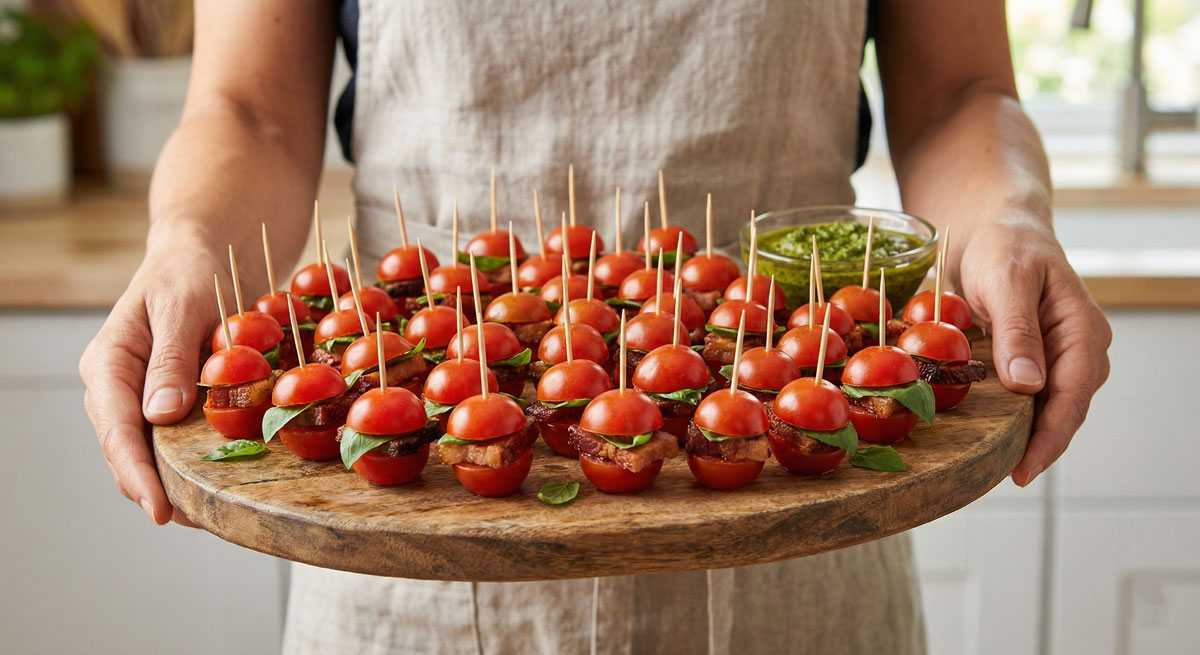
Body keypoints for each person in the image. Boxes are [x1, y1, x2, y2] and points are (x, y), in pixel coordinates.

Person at [78, 1, 1112, 653]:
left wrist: (1010, 217)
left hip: (799, 470)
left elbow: (960, 91)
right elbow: (250, 110)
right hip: (426, 520)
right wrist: (186, 245)